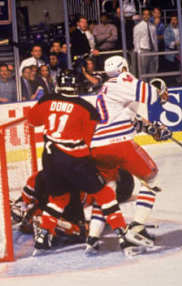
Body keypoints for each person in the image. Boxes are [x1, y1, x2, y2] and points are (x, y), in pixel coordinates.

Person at [26, 69, 126, 256]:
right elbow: (87, 142)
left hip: (49, 158)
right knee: (104, 193)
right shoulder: (87, 108)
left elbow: (32, 121)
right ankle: (123, 232)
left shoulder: (47, 100)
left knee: (58, 199)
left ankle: (43, 238)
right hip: (74, 159)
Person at [89, 56, 171, 255]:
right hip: (119, 144)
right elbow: (150, 94)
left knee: (107, 190)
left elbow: (127, 119)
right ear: (124, 67)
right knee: (152, 178)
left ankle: (92, 237)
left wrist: (152, 129)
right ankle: (137, 227)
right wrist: (161, 91)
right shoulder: (123, 80)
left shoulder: (106, 89)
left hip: (97, 146)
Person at [133, 8, 159, 75]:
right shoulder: (137, 27)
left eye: (148, 14)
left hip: (152, 50)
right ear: (142, 16)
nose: (146, 16)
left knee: (152, 70)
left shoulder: (153, 27)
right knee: (143, 71)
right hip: (143, 50)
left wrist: (156, 51)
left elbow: (155, 40)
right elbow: (136, 41)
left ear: (150, 16)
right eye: (144, 14)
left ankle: (151, 83)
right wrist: (139, 52)